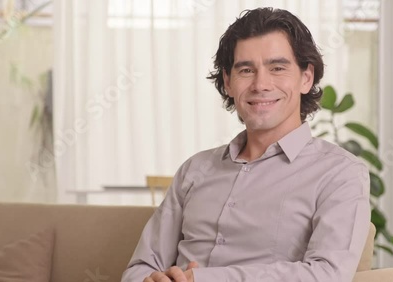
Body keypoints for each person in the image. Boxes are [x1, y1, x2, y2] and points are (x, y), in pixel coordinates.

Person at [122, 7, 370, 282]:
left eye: (277, 68)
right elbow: (141, 266)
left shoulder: (340, 173)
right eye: (246, 70)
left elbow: (327, 275)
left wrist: (202, 280)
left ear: (306, 77)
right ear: (228, 81)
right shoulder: (195, 169)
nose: (260, 84)